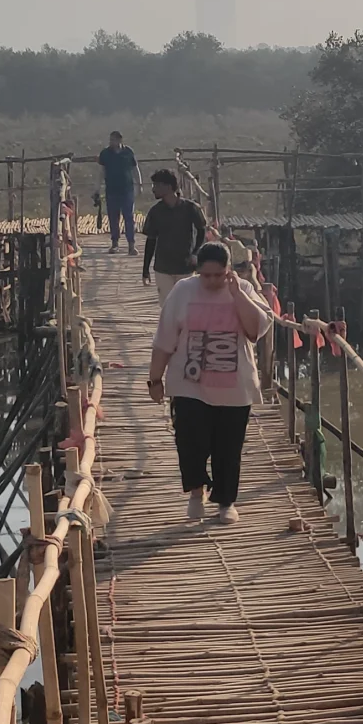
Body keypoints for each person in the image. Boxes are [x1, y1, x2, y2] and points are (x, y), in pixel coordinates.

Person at [148, 240, 268, 525]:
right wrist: (155, 379)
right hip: (189, 383)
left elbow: (255, 331)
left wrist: (238, 294)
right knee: (190, 442)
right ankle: (196, 493)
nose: (212, 281)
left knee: (229, 448)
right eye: (206, 275)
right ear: (197, 270)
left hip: (234, 387)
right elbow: (164, 339)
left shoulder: (244, 289)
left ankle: (226, 501)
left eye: (218, 275)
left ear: (229, 270)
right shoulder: (183, 291)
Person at [141, 167, 207, 301]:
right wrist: (145, 269)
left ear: (168, 187)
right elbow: (151, 241)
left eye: (157, 185)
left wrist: (195, 253)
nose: (153, 189)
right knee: (167, 305)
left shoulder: (190, 208)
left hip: (185, 266)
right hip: (163, 268)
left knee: (186, 304)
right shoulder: (156, 212)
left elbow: (201, 230)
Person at [96, 132, 142, 252]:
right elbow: (101, 172)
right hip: (111, 190)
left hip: (127, 189)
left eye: (113, 140)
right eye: (110, 140)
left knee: (129, 217)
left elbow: (135, 169)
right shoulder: (105, 153)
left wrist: (139, 184)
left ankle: (131, 244)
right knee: (113, 217)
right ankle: (115, 243)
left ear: (120, 140)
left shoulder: (128, 152)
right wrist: (97, 188)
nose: (111, 142)